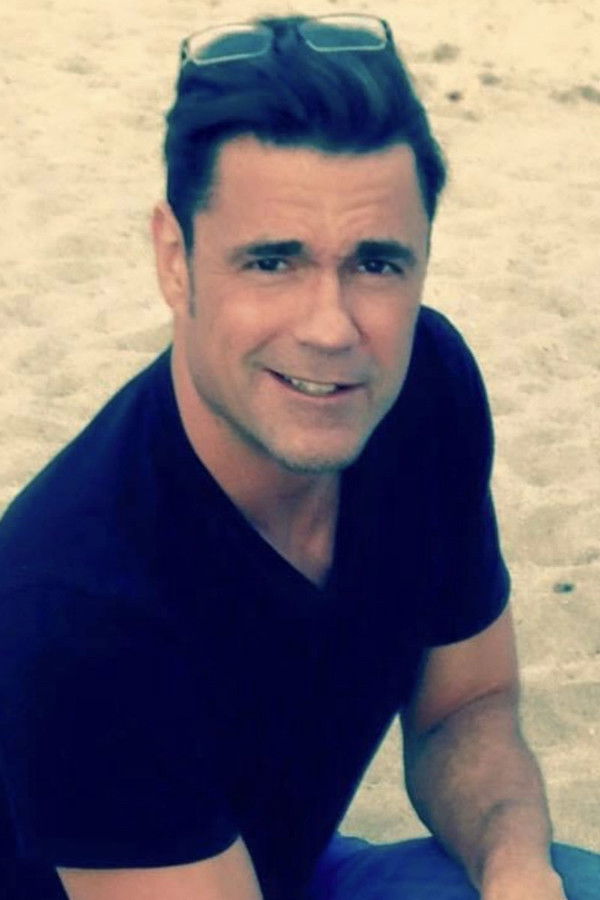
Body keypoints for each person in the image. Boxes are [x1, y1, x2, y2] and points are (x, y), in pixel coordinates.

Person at [0, 12, 597, 900]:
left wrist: (516, 874)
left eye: (376, 264)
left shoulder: (423, 388)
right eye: (273, 262)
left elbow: (464, 707)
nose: (330, 328)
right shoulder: (74, 598)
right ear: (174, 258)